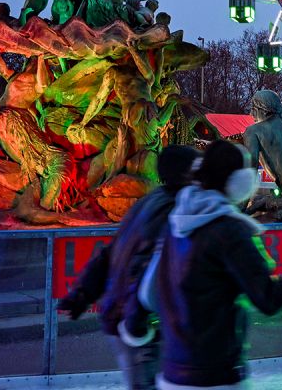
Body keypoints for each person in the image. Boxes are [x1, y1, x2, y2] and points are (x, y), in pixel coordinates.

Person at [136, 141, 282, 389]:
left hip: (172, 372)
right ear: (239, 182)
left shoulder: (176, 222)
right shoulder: (230, 231)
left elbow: (150, 293)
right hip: (216, 376)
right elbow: (268, 297)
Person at [59, 145, 199, 390]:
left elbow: (112, 251)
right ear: (186, 173)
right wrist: (139, 322)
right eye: (198, 170)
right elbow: (144, 267)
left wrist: (83, 294)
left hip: (125, 315)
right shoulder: (172, 211)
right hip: (138, 324)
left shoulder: (150, 202)